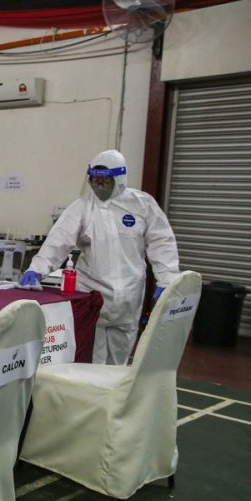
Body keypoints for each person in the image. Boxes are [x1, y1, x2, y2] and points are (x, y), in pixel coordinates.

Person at [19, 149, 180, 365]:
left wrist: (167, 279)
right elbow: (59, 240)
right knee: (89, 355)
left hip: (130, 293)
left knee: (120, 355)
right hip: (92, 293)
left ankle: (113, 395)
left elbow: (162, 242)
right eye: (94, 180)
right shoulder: (82, 207)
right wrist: (37, 268)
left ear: (119, 179)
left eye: (105, 181)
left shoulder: (143, 204)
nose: (98, 186)